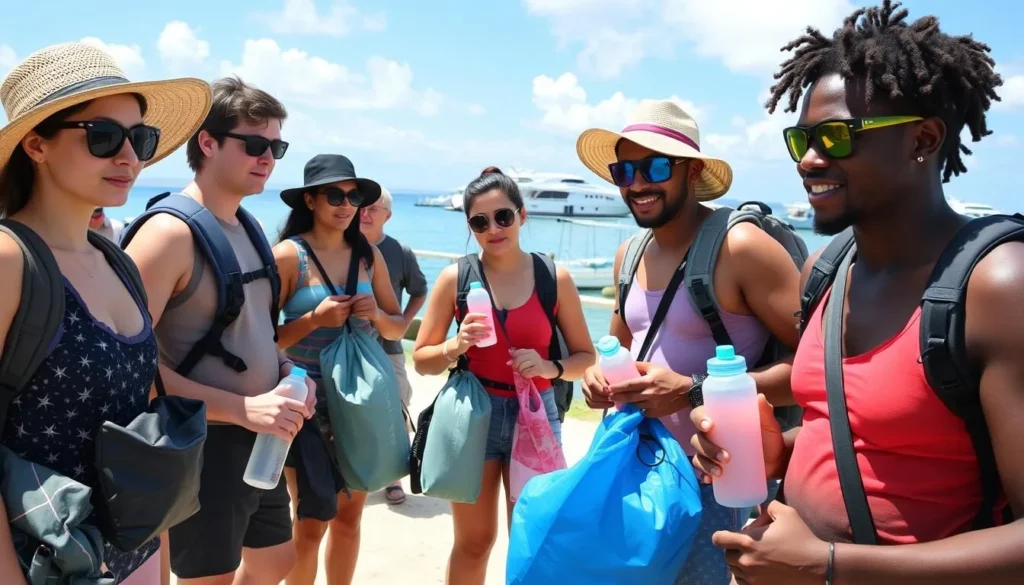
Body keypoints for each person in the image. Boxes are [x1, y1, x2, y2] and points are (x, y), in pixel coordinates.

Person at [689, 3, 1024, 584]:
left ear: (923, 139)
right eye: (802, 140)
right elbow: (868, 441)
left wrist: (829, 566)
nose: (810, 160)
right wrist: (777, 448)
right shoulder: (824, 270)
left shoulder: (997, 286)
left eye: (837, 136)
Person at [0, 42, 211, 585]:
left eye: (140, 139)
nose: (130, 158)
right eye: (103, 137)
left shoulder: (115, 259)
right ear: (36, 144)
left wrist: (156, 557)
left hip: (129, 556)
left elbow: (138, 424)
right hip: (45, 562)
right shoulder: (8, 259)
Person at [575, 99, 802, 585]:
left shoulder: (740, 248)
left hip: (714, 480)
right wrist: (598, 377)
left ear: (692, 170)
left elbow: (822, 370)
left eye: (654, 166)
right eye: (624, 170)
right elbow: (619, 349)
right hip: (634, 469)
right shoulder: (628, 254)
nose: (636, 183)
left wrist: (693, 390)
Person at [122, 76, 315, 585]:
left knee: (276, 561)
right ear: (206, 143)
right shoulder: (168, 234)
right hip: (202, 442)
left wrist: (288, 370)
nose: (268, 157)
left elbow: (254, 328)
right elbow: (123, 366)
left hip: (259, 436)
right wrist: (243, 408)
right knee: (209, 577)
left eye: (277, 146)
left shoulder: (248, 226)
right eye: (254, 144)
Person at [413, 170, 596, 585]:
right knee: (474, 543)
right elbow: (423, 360)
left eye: (503, 217)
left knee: (530, 537)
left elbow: (586, 358)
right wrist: (455, 346)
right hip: (473, 413)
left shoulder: (554, 277)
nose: (493, 228)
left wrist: (550, 367)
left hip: (535, 415)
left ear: (522, 216)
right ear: (470, 227)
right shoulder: (455, 278)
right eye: (480, 222)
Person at [273, 154, 406, 585]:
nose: (346, 204)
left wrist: (375, 316)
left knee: (349, 520)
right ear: (310, 200)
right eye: (335, 194)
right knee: (310, 522)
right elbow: (261, 342)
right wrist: (314, 320)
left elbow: (397, 324)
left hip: (360, 403)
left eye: (353, 196)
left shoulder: (367, 256)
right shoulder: (288, 257)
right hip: (306, 407)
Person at [359, 185, 428, 505]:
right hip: (349, 346)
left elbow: (420, 290)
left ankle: (394, 477)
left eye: (375, 208)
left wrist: (402, 322)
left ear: (388, 215)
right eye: (363, 206)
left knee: (398, 408)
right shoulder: (343, 245)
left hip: (388, 345)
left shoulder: (400, 251)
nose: (366, 213)